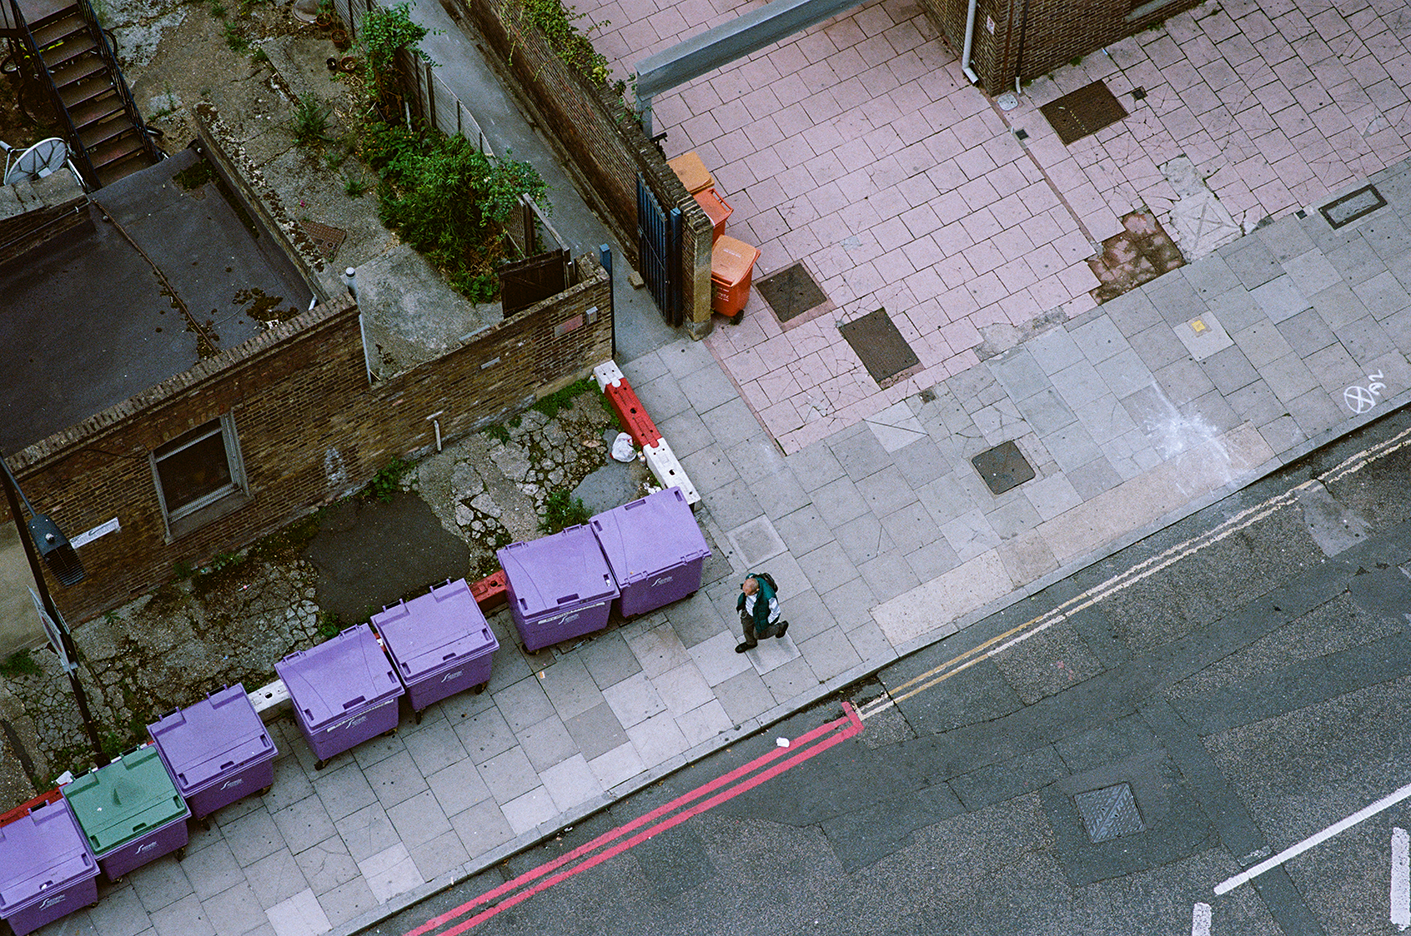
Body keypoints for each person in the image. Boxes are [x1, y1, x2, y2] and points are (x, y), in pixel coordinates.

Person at [736, 572, 788, 653]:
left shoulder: (769, 597)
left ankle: (780, 627)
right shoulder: (751, 578)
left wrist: (766, 622)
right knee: (746, 627)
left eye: (748, 593)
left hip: (760, 616)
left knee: (759, 634)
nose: (745, 595)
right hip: (748, 612)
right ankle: (751, 643)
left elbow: (776, 612)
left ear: (757, 590)